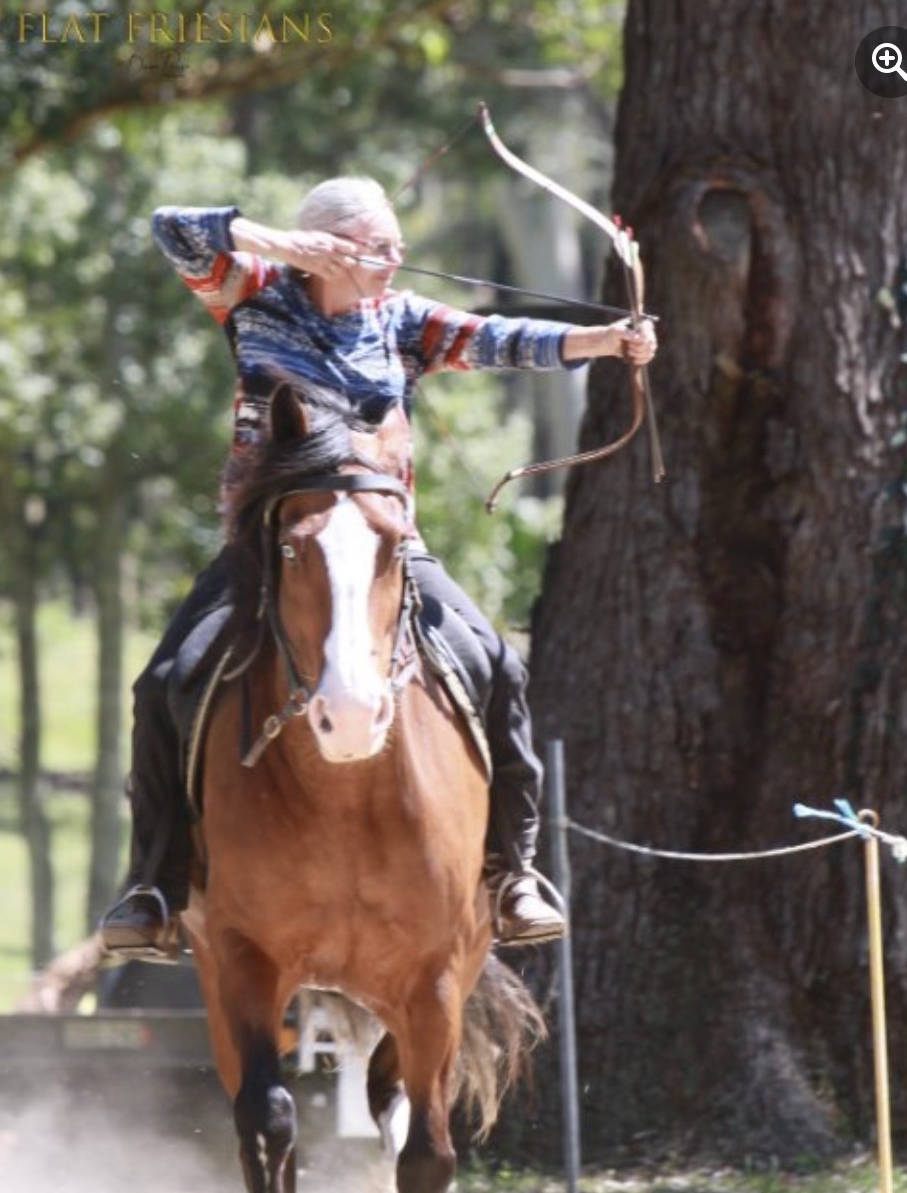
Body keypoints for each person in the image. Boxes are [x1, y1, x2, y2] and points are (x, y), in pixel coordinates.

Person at [99, 177, 657, 960]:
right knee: (163, 681)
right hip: (268, 550)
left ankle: (511, 873)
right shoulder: (254, 296)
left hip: (388, 547)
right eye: (380, 246)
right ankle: (154, 885)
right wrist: (280, 243)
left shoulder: (401, 325)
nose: (398, 259)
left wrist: (606, 341)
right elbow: (172, 228)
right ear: (329, 247)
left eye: (399, 245)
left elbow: (499, 338)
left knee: (496, 666)